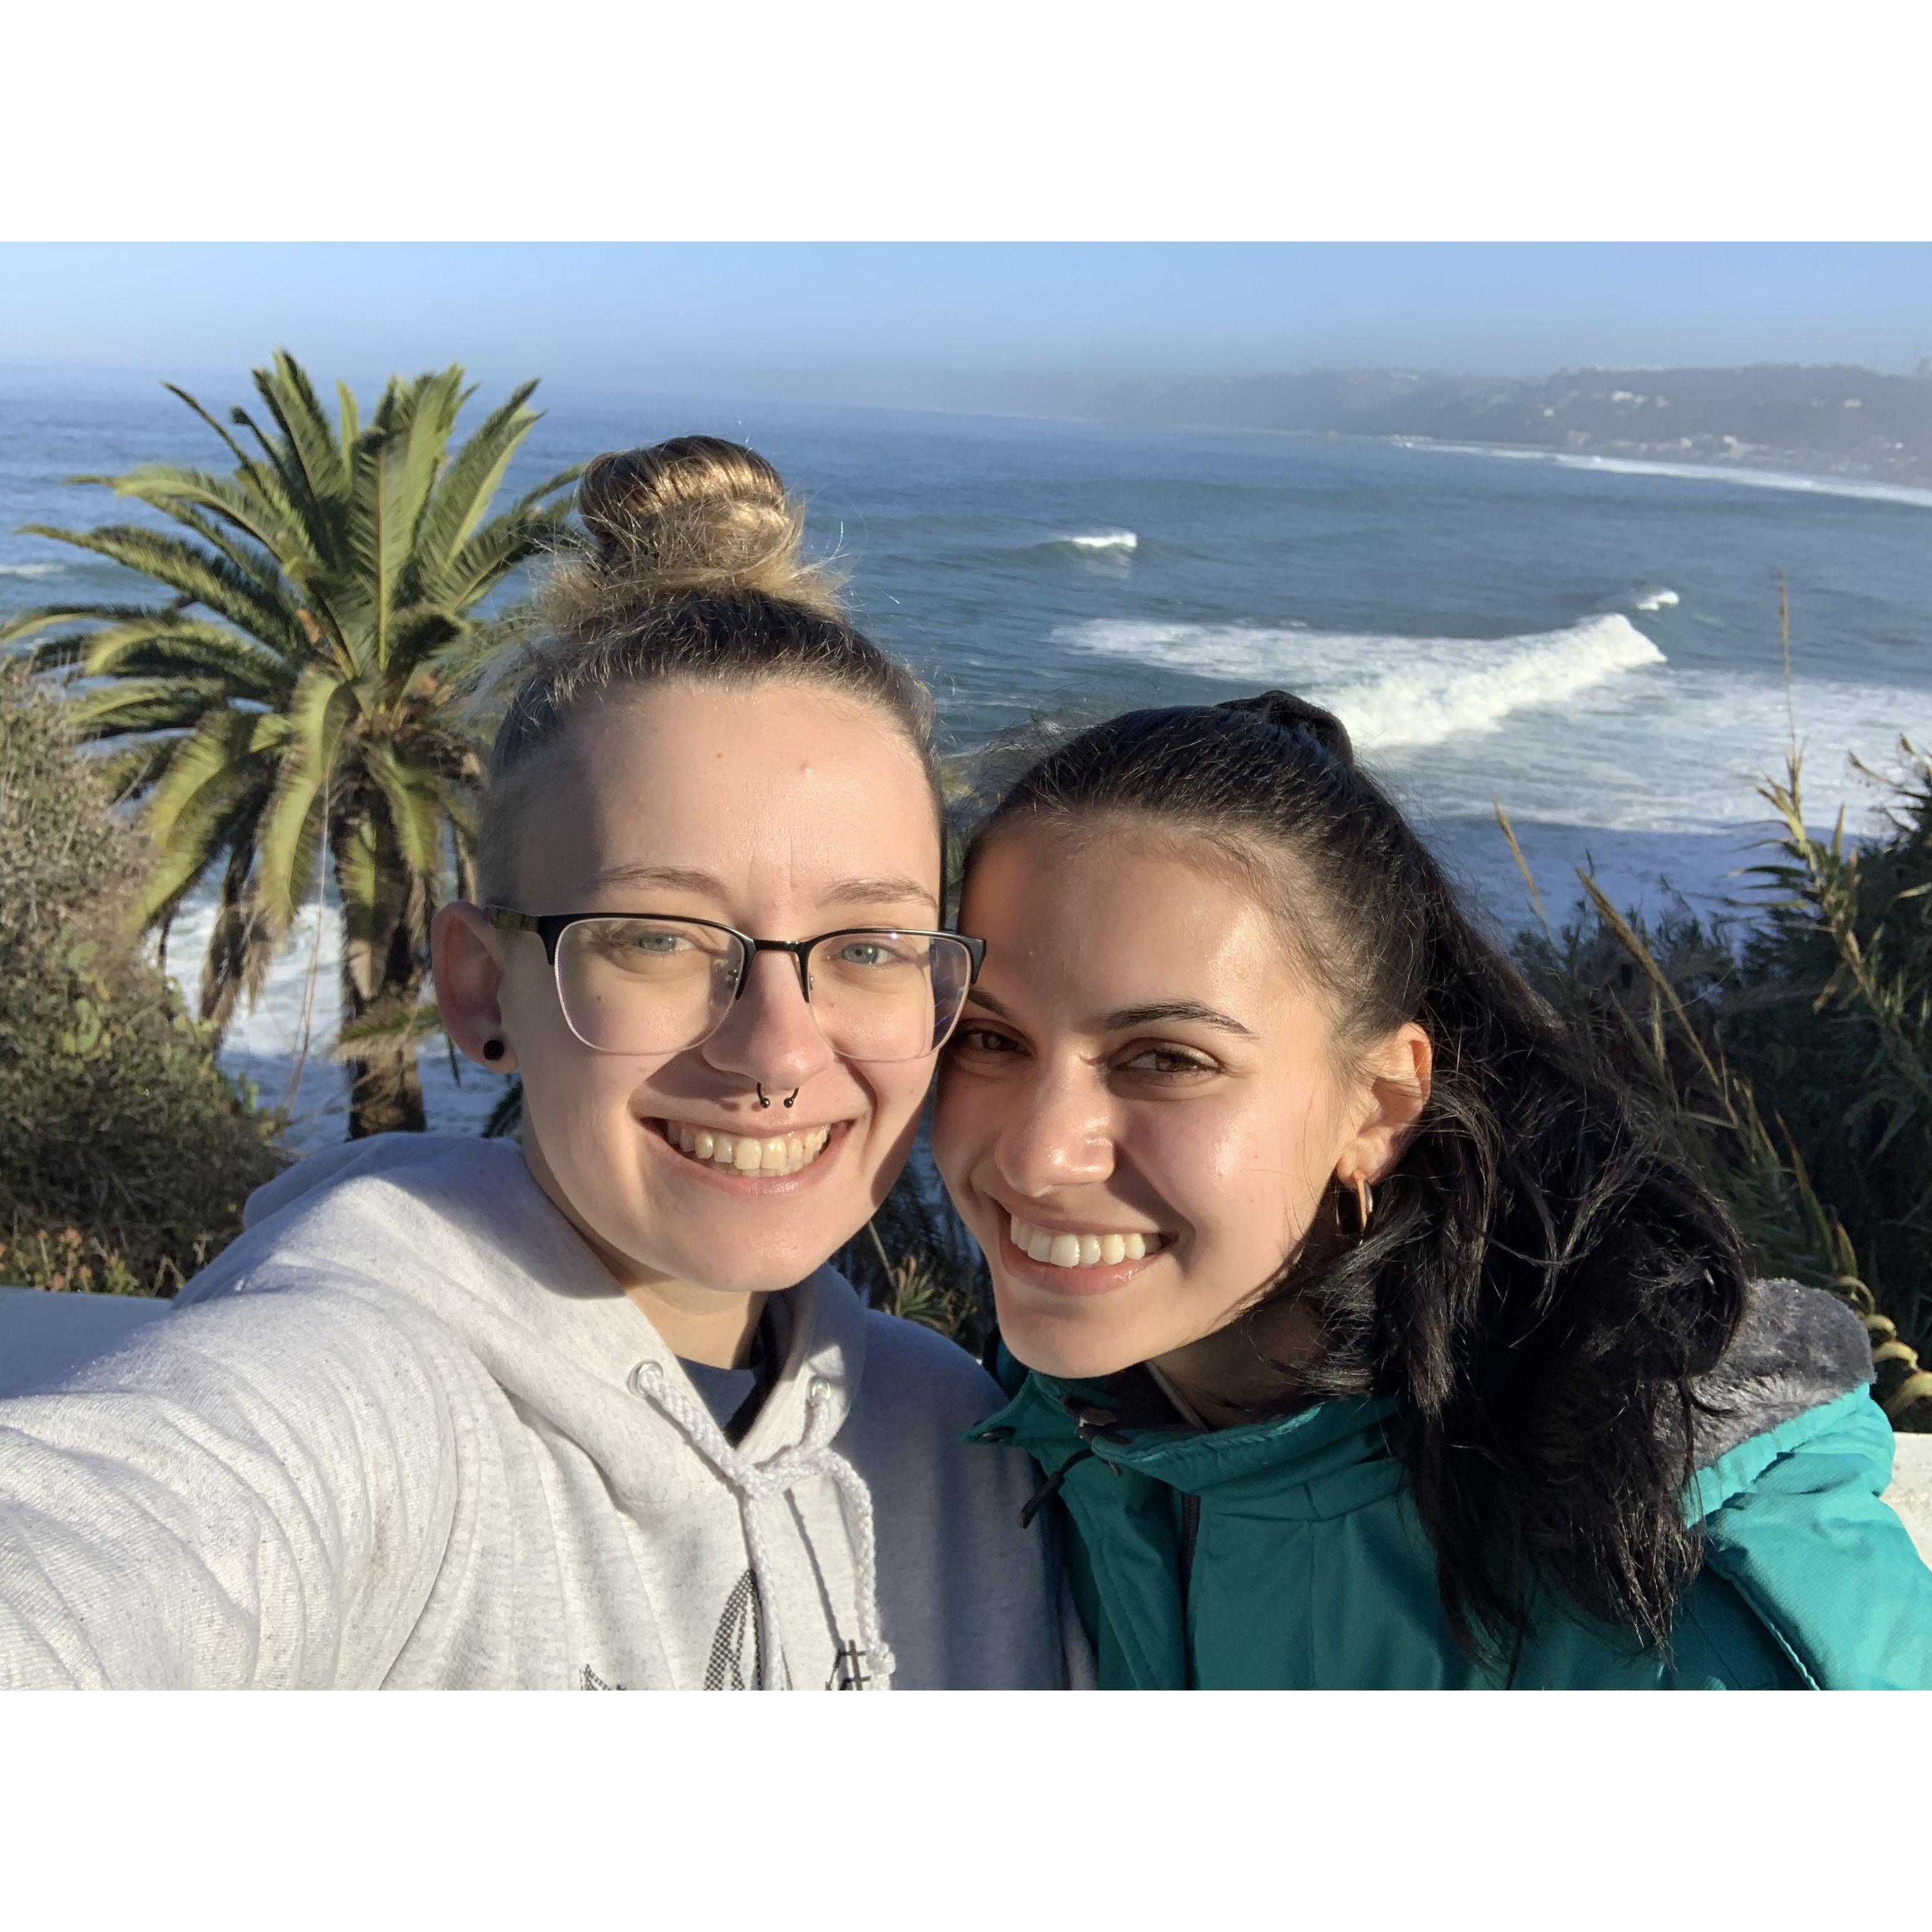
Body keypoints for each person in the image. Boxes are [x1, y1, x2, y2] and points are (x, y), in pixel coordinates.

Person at [0, 437, 1080, 1692]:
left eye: (867, 944)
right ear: (476, 988)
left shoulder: (967, 1438)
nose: (779, 1047)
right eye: (658, 936)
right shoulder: (364, 1387)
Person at [933, 689, 1932, 1689]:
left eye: (1166, 1059)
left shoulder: (1697, 1600)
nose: (1036, 1157)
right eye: (989, 1038)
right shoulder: (1066, 1440)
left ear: (1377, 1104)